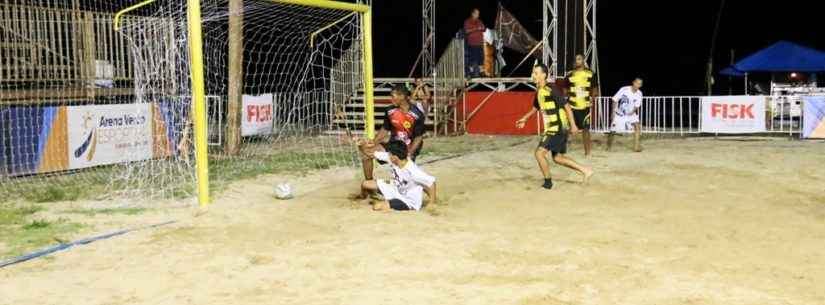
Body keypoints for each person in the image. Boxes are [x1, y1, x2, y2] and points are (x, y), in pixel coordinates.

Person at [516, 63, 594, 189]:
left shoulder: (551, 88)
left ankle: (548, 183)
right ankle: (586, 170)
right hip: (553, 127)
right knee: (558, 158)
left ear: (544, 75)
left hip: (557, 127)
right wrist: (524, 119)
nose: (533, 75)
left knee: (539, 153)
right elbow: (536, 107)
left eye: (536, 73)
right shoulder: (539, 90)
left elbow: (567, 106)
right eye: (533, 73)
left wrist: (573, 125)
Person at [358, 85, 426, 180]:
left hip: (408, 147)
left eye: (393, 96)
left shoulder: (417, 114)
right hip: (393, 145)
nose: (391, 99)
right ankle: (369, 184)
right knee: (366, 155)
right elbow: (385, 129)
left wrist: (410, 153)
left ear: (402, 96)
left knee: (404, 176)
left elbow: (418, 137)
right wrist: (374, 141)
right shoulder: (389, 111)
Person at [355, 140, 437, 211]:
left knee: (377, 207)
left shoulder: (413, 171)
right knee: (365, 184)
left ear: (395, 157)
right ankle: (363, 198)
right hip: (396, 187)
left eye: (390, 153)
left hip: (407, 200)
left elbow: (431, 183)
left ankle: (386, 201)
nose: (388, 154)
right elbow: (370, 154)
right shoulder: (392, 157)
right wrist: (360, 146)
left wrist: (432, 202)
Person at [565, 54, 598, 157]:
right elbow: (565, 89)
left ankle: (587, 153)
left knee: (586, 129)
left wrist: (593, 98)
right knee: (566, 129)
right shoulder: (569, 74)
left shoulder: (590, 73)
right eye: (575, 60)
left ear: (583, 60)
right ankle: (561, 150)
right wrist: (566, 98)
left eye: (579, 59)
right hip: (572, 106)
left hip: (585, 106)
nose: (577, 61)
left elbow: (595, 88)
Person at [607, 78, 644, 152]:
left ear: (641, 85)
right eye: (637, 83)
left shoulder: (640, 93)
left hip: (631, 114)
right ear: (633, 82)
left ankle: (636, 147)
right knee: (613, 131)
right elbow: (614, 100)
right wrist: (612, 112)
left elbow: (637, 105)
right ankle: (609, 146)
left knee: (637, 126)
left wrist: (632, 112)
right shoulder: (624, 89)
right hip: (620, 113)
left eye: (639, 84)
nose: (637, 85)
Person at [464, 8, 486, 78]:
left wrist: (482, 28)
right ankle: (471, 72)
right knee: (473, 59)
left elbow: (484, 28)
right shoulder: (468, 21)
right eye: (476, 13)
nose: (478, 15)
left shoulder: (479, 21)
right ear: (472, 13)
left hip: (480, 43)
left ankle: (482, 72)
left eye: (478, 14)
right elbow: (467, 31)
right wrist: (476, 28)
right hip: (472, 43)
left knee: (481, 58)